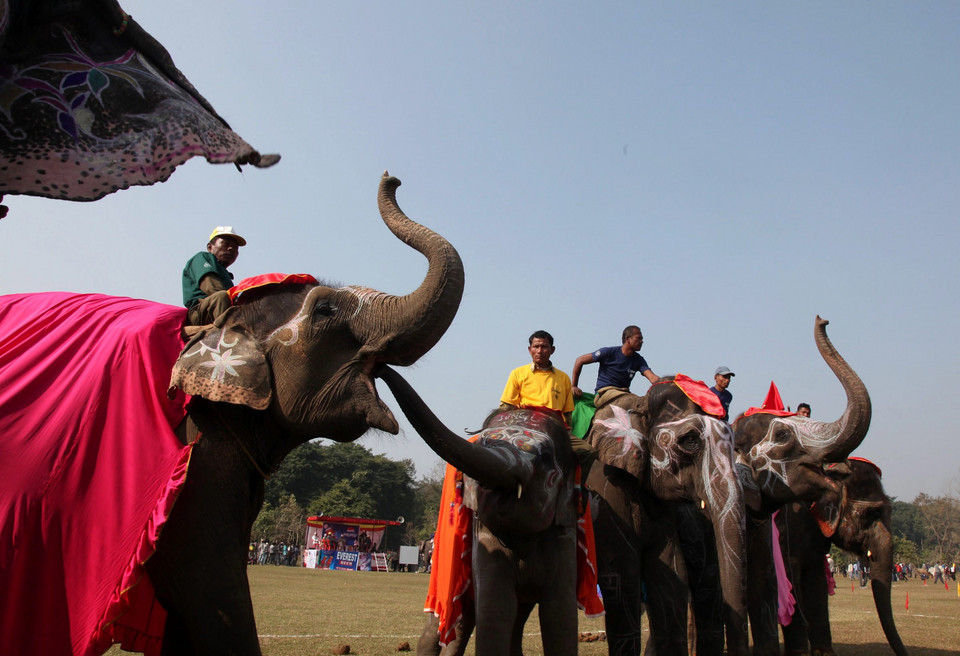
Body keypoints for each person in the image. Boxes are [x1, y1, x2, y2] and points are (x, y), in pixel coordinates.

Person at [500, 330, 575, 424]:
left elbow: (567, 413)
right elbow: (507, 406)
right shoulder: (517, 373)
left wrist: (567, 433)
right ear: (529, 349)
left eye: (544, 347)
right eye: (536, 347)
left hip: (555, 427)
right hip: (525, 424)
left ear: (552, 350)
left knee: (583, 440)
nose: (539, 351)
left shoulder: (564, 378)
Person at [571, 325, 660, 402]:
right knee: (632, 400)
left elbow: (652, 378)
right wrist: (574, 386)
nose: (642, 341)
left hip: (624, 393)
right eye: (638, 338)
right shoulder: (608, 352)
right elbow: (580, 360)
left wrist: (672, 383)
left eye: (642, 339)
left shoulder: (639, 360)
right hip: (604, 393)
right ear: (628, 339)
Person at [182, 226, 246, 326]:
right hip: (200, 312)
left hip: (222, 306)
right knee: (221, 296)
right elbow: (210, 286)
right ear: (210, 247)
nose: (231, 248)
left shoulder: (226, 274)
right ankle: (226, 334)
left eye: (235, 247)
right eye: (226, 244)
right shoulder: (203, 257)